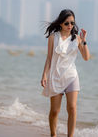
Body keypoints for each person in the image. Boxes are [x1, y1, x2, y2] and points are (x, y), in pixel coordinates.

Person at [41, 9, 90, 137]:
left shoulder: (77, 39)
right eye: (67, 23)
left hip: (71, 76)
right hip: (55, 77)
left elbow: (86, 57)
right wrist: (44, 75)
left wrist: (84, 41)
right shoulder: (53, 37)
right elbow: (49, 58)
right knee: (54, 111)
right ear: (61, 23)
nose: (70, 26)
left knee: (72, 108)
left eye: (72, 23)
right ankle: (53, 135)